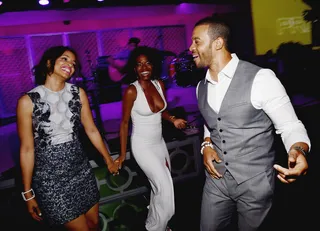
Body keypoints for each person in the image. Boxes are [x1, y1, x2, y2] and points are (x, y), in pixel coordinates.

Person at [189, 16, 311, 231]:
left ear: (218, 43)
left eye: (197, 41)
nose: (191, 47)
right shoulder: (201, 87)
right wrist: (206, 144)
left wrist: (299, 150)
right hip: (216, 180)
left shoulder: (262, 79)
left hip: (254, 183)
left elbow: (290, 126)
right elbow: (211, 122)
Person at [16, 46, 119, 230]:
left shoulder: (77, 93)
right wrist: (28, 193)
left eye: (73, 63)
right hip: (51, 180)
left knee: (94, 223)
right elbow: (26, 149)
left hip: (81, 171)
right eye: (64, 59)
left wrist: (108, 159)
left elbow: (92, 130)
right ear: (49, 62)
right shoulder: (27, 101)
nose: (70, 65)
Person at [116, 46, 187, 231]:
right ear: (134, 68)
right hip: (142, 145)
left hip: (158, 143)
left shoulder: (159, 85)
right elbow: (124, 123)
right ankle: (158, 226)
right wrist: (122, 155)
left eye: (147, 62)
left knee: (159, 186)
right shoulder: (132, 91)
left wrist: (173, 119)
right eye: (139, 64)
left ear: (153, 65)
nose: (144, 67)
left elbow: (161, 112)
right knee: (164, 186)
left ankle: (155, 225)